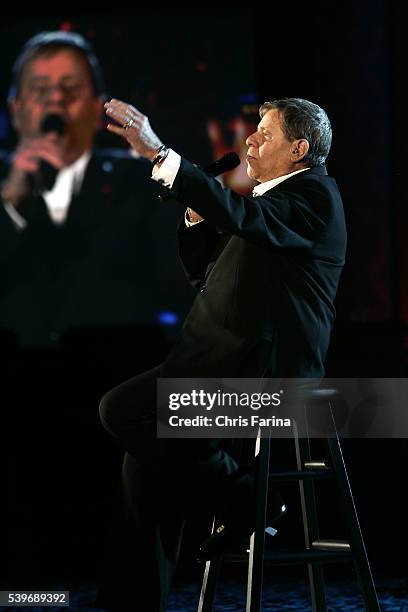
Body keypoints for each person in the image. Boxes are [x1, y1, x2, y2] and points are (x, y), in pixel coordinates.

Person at [96, 96, 347, 611]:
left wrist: (160, 154)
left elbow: (247, 219)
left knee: (122, 409)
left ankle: (249, 501)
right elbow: (207, 277)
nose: (250, 141)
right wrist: (195, 219)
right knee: (142, 464)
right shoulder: (265, 204)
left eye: (265, 133)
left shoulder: (313, 197)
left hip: (266, 380)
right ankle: (134, 603)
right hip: (214, 365)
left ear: (299, 148)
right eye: (254, 129)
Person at [0, 30, 176, 349]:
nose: (56, 99)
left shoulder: (140, 180)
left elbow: (177, 281)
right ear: (15, 108)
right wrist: (10, 200)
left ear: (98, 109)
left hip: (112, 368)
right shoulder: (3, 182)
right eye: (40, 90)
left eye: (71, 89)